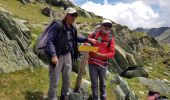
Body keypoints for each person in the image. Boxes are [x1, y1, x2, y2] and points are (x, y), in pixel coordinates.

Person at [46, 7, 96, 100]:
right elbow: (49, 41)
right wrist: (53, 55)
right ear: (66, 15)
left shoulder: (72, 28)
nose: (74, 17)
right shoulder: (57, 25)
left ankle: (64, 95)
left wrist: (88, 39)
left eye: (75, 15)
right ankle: (52, 97)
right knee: (54, 79)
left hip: (67, 55)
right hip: (57, 55)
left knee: (67, 77)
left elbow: (76, 38)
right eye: (72, 15)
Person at [88, 19, 115, 100]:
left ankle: (103, 98)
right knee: (94, 83)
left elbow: (112, 53)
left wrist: (101, 56)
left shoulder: (110, 38)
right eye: (105, 25)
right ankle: (95, 98)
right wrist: (88, 53)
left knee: (103, 83)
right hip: (92, 63)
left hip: (103, 64)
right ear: (101, 26)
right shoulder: (93, 35)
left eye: (109, 26)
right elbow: (86, 44)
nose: (107, 27)